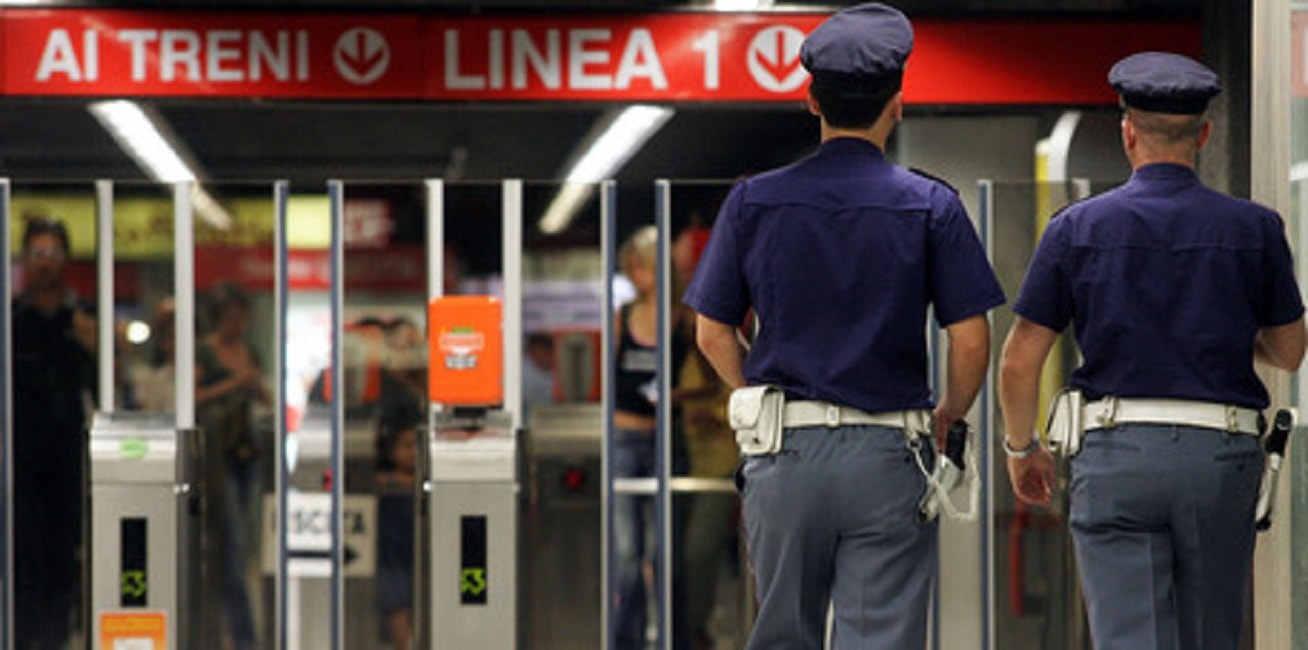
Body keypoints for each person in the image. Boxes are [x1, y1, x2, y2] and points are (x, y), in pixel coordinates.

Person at [683, 5, 1005, 647]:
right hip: (889, 453)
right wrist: (952, 413)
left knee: (781, 633)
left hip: (787, 452)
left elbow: (711, 330)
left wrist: (759, 395)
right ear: (898, 104)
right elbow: (970, 337)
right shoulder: (930, 204)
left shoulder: (754, 200)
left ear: (810, 101)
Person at [998, 52, 1306, 649]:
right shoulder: (1255, 229)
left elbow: (1019, 359)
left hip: (1116, 458)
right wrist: (1222, 332)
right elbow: (1290, 352)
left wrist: (1022, 447)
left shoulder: (1076, 228)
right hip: (1219, 459)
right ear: (1205, 134)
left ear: (1127, 133)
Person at [11, 216, 96, 649]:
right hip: (19, 456)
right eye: (38, 253)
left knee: (64, 555)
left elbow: (108, 386)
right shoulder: (13, 319)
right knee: (24, 557)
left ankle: (58, 638)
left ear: (66, 259)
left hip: (65, 455)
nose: (45, 263)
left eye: (54, 254)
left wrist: (96, 346)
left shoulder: (83, 317)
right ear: (26, 258)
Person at [611, 225, 690, 649]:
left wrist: (677, 394)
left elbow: (707, 380)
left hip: (666, 436)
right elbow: (608, 378)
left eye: (641, 267)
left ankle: (674, 637)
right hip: (625, 434)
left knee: (665, 552)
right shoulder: (622, 316)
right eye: (631, 268)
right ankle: (628, 639)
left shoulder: (685, 319)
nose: (635, 275)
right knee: (627, 552)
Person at [196, 281, 268, 650]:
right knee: (232, 547)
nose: (237, 326)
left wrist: (257, 385)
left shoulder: (249, 352)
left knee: (247, 547)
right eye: (230, 319)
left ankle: (244, 633)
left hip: (247, 456)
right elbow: (190, 398)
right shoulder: (205, 355)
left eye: (241, 319)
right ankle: (242, 637)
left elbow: (264, 399)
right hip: (217, 457)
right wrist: (234, 383)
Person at [375, 402, 422, 650]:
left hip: (418, 558)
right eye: (405, 445)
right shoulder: (383, 483)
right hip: (393, 561)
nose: (412, 452)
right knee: (400, 621)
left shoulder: (426, 486)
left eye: (417, 445)